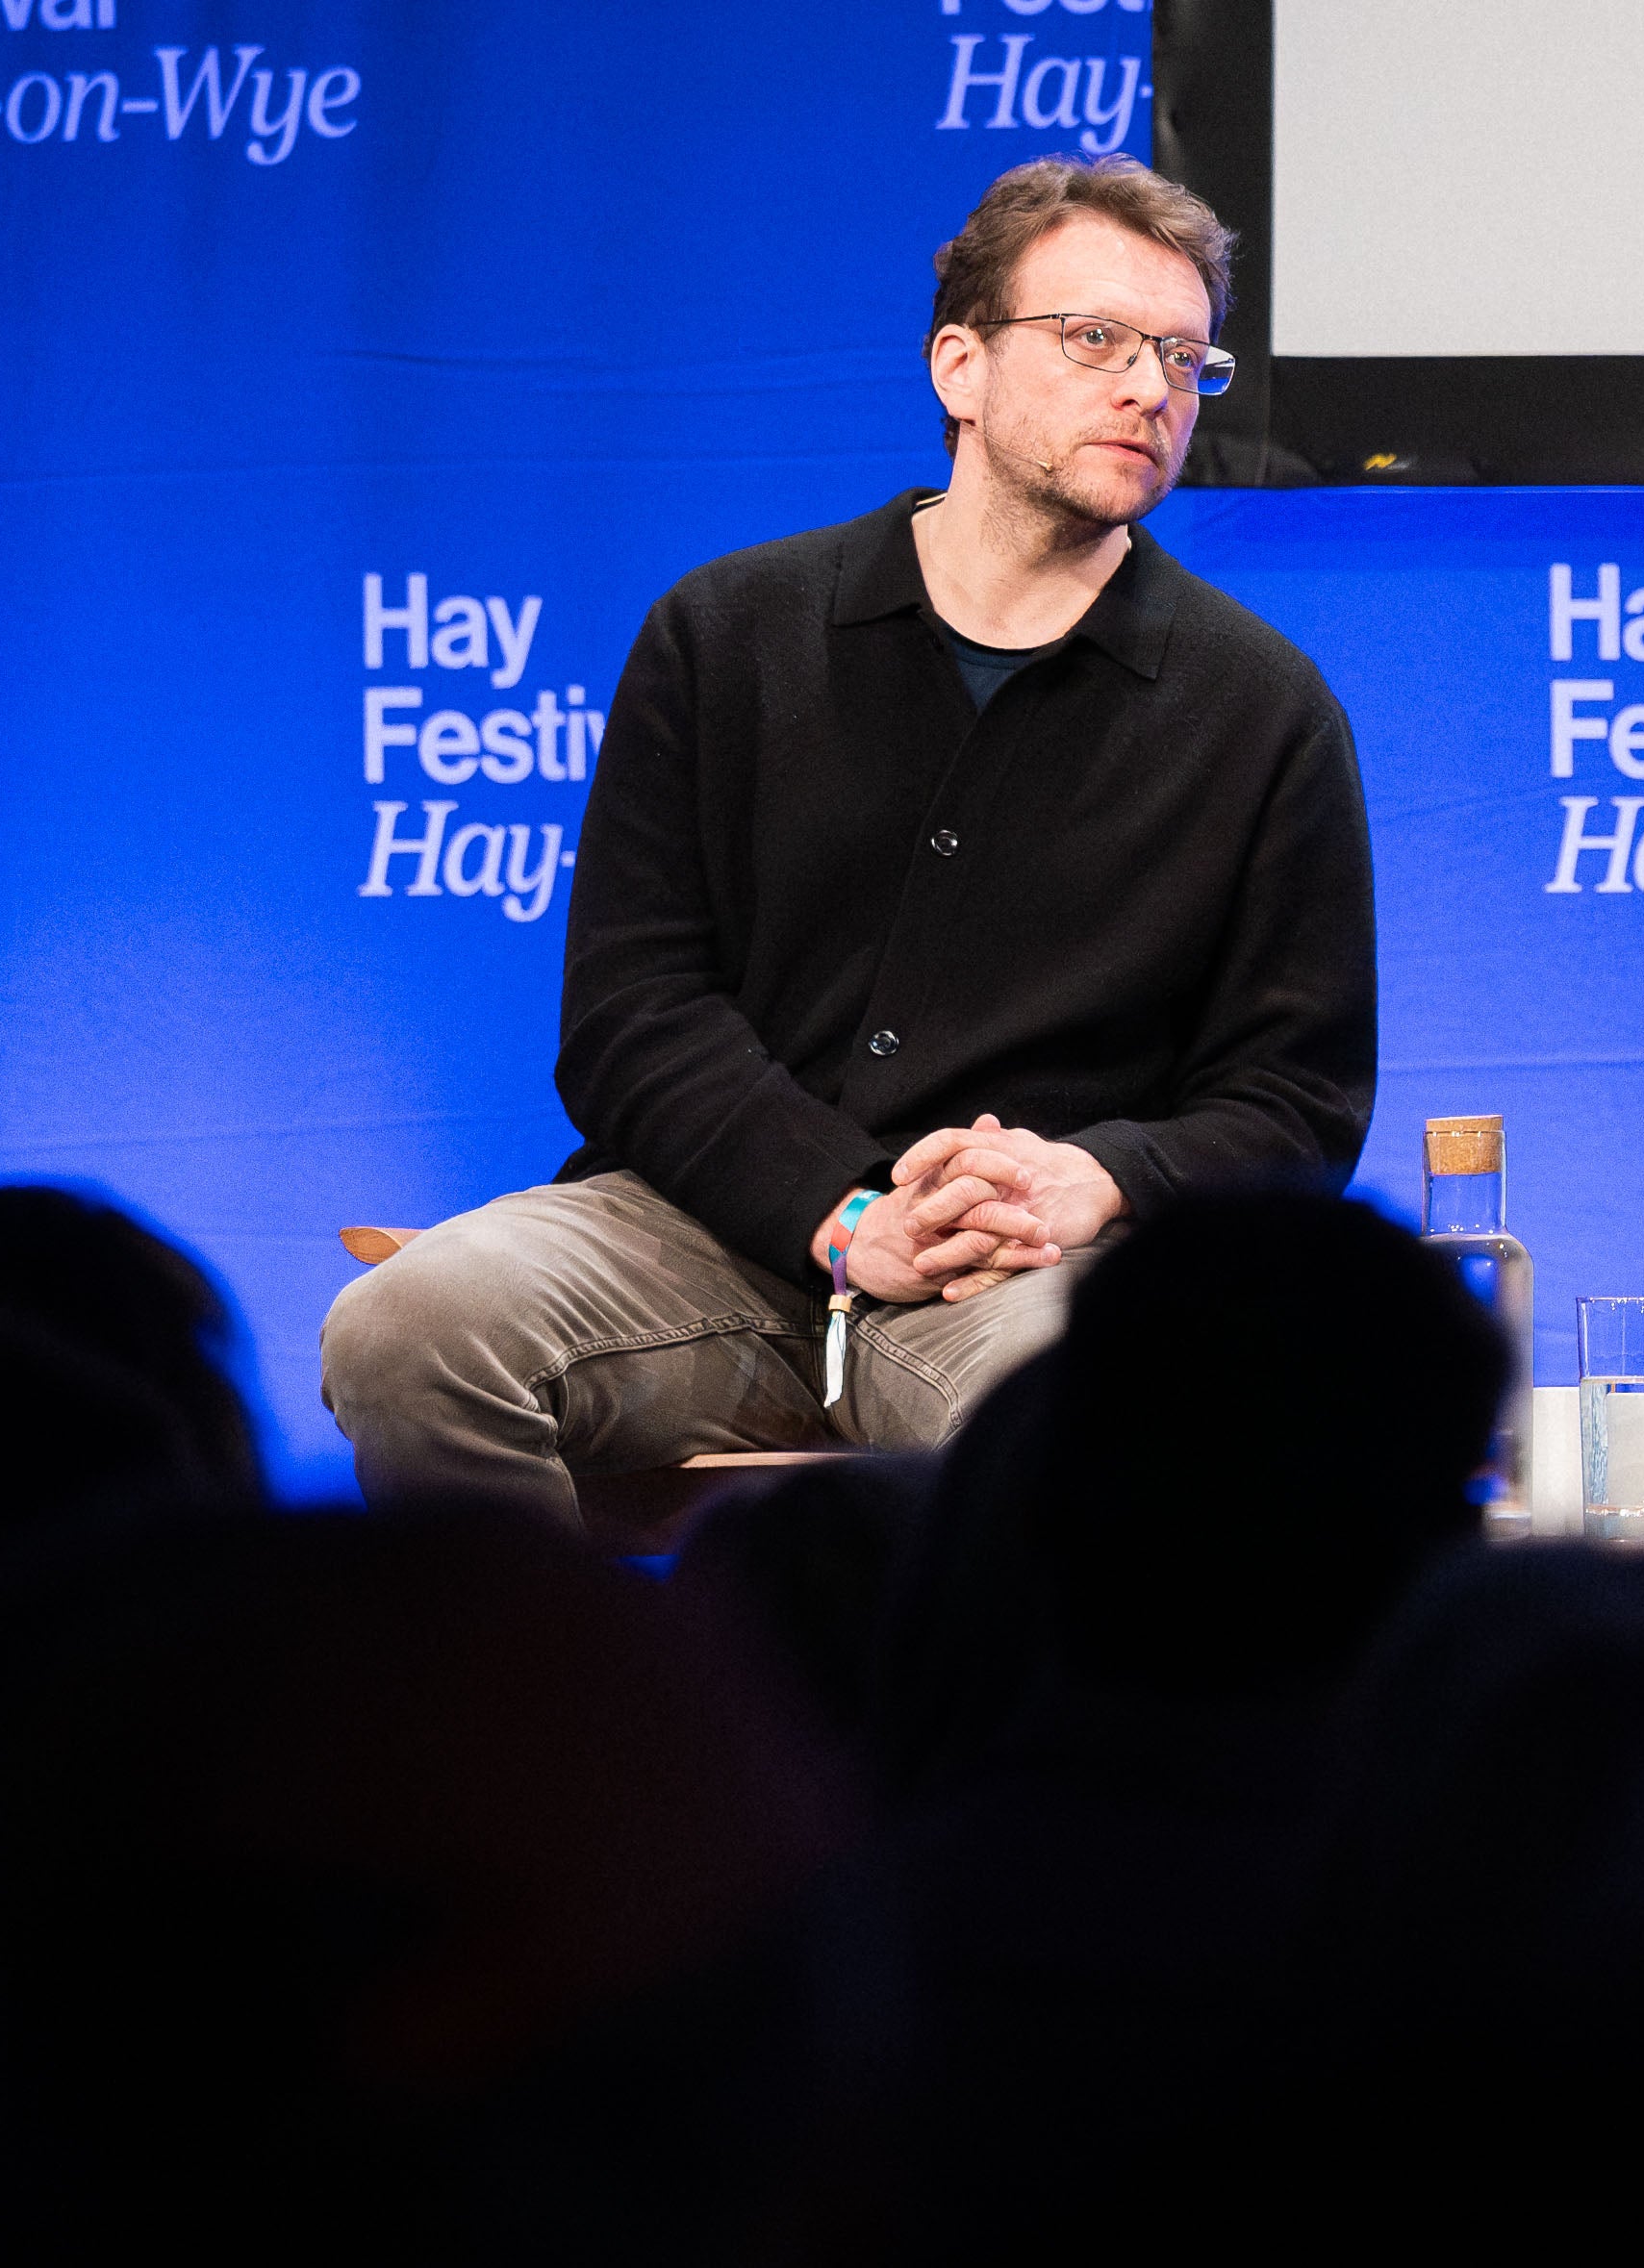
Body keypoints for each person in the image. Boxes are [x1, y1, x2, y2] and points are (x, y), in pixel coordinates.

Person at [319, 159, 1378, 1515]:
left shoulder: (1262, 708)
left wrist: (1093, 1180)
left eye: (1184, 355)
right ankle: (550, 1722)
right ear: (960, 365)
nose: (1148, 386)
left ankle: (991, 1734)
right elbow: (634, 1012)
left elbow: (1293, 1102)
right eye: (1096, 339)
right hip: (709, 1233)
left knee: (1118, 1402)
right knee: (408, 1327)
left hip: (1029, 1277)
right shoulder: (731, 631)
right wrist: (844, 1211)